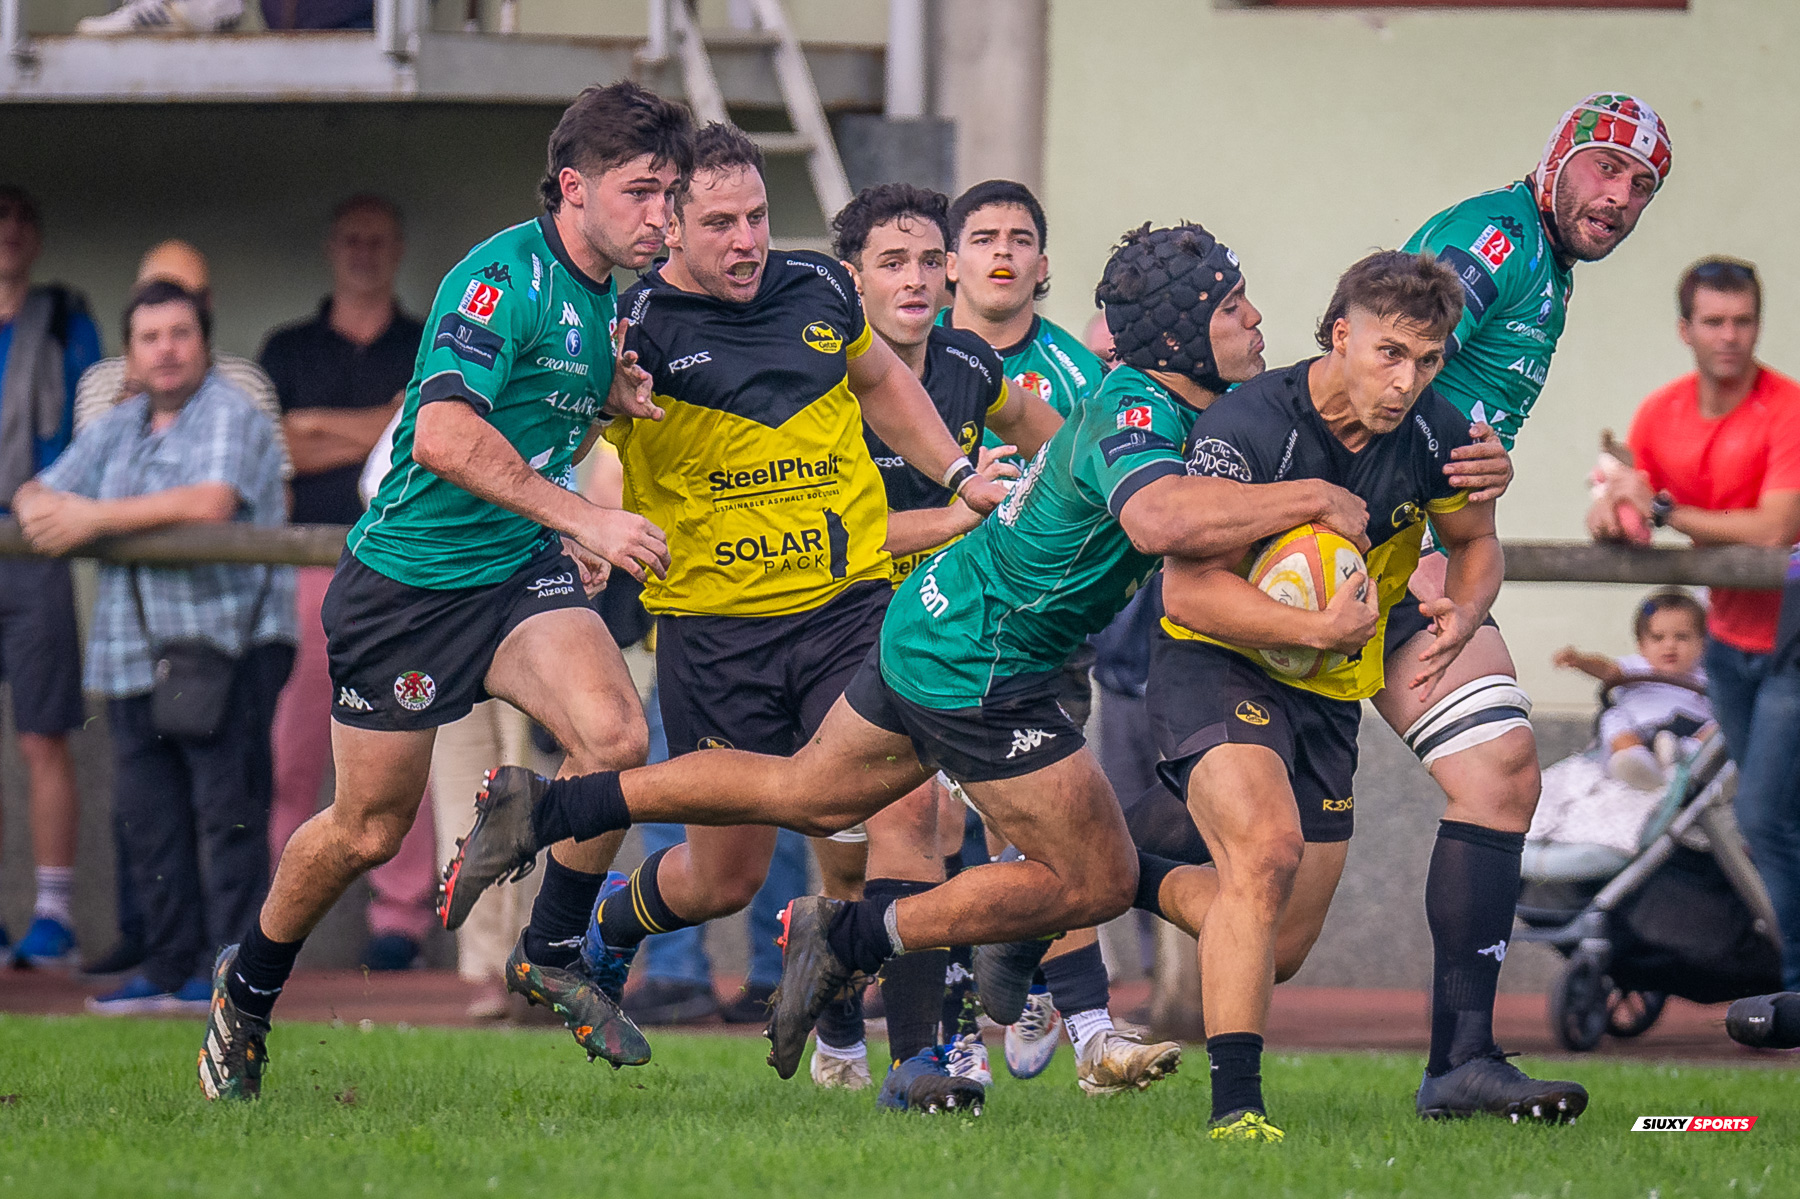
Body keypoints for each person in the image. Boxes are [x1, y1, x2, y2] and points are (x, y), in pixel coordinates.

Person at [444, 221, 1377, 1112]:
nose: (1255, 318)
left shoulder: (1163, 404)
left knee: (810, 794)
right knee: (1095, 877)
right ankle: (855, 938)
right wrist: (1314, 498)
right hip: (984, 657)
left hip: (937, 622)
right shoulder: (1138, 406)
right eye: (1233, 305)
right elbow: (1158, 519)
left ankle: (548, 808)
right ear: (1180, 333)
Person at [194, 81, 694, 1101]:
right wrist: (585, 517)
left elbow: (545, 401)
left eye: (671, 194)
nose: (664, 218)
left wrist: (607, 403)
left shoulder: (610, 292)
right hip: (409, 588)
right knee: (367, 829)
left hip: (514, 570)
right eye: (642, 193)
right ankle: (246, 989)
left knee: (615, 737)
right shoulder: (499, 276)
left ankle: (548, 949)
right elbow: (443, 434)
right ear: (573, 187)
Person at [499, 130, 1009, 1113]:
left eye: (759, 217)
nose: (746, 240)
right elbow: (559, 430)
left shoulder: (820, 289)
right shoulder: (631, 323)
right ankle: (613, 927)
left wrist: (955, 471)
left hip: (847, 607)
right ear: (672, 225)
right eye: (720, 222)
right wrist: (580, 522)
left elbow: (881, 381)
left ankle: (915, 1061)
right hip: (714, 632)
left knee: (905, 809)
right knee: (724, 877)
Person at [1140, 249, 1551, 1138]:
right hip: (1219, 657)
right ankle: (1237, 1111)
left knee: (1282, 944)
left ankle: (1113, 867)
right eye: (1390, 353)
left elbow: (1476, 541)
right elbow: (1187, 592)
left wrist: (1465, 607)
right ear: (1340, 335)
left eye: (1428, 360)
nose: (1407, 381)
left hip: (1337, 672)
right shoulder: (1250, 426)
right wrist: (1313, 628)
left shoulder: (1436, 430)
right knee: (1265, 851)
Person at [1363, 92, 1671, 1118]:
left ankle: (1462, 1063)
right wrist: (1404, 528)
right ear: (1555, 159)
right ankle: (1039, 931)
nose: (1619, 196)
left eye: (1641, 186)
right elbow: (1385, 359)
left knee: (1500, 775)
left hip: (1407, 547)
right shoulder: (1499, 235)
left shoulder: (1546, 261)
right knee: (1250, 863)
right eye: (1604, 167)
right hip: (1359, 548)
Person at [799, 181, 1065, 1100]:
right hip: (835, 619)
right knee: (844, 849)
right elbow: (835, 536)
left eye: (927, 261)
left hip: (946, 626)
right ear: (851, 280)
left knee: (928, 821)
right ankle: (838, 994)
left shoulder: (967, 362)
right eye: (891, 262)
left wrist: (1115, 475)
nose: (914, 279)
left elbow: (1057, 442)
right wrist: (961, 513)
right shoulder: (820, 379)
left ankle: (929, 1051)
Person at [15, 280, 295, 1013]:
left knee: (228, 819)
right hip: (129, 655)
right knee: (151, 820)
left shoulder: (231, 412)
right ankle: (168, 968)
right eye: (149, 337)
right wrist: (46, 507)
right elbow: (37, 493)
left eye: (179, 333)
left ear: (205, 341)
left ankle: (230, 974)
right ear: (129, 353)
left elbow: (210, 502)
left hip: (227, 646)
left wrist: (90, 519)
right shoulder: (117, 425)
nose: (165, 350)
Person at [935, 178, 1121, 1089]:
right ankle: (953, 1029)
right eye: (983, 237)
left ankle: (1057, 997)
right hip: (930, 620)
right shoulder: (910, 355)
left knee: (1045, 823)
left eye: (1019, 238)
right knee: (931, 823)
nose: (1002, 252)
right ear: (951, 262)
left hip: (1043, 632)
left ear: (1044, 263)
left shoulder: (1080, 376)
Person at [1589, 256, 1800, 989]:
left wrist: (1662, 510)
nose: (1730, 336)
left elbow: (1774, 531)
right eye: (1714, 321)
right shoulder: (1661, 413)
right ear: (1687, 329)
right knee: (1768, 817)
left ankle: (1793, 992)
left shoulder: (1787, 407)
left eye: (1743, 321)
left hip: (1793, 638)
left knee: (1766, 816)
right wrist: (1614, 507)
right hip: (1730, 643)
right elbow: (1627, 505)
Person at [261, 194, 435, 972]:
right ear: (333, 247)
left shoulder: (426, 339)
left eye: (378, 239)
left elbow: (423, 442)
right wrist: (381, 424)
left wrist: (318, 425)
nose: (364, 251)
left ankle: (400, 919)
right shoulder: (288, 346)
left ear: (397, 248)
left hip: (401, 567)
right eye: (352, 239)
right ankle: (283, 912)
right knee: (294, 750)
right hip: (305, 568)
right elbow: (279, 448)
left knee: (402, 740)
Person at [0, 185, 101, 970]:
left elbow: (91, 429)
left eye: (21, 220)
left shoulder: (65, 315)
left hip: (34, 540)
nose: (8, 232)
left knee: (43, 733)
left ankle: (53, 914)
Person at [74, 241, 288, 472]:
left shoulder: (245, 383)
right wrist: (133, 386)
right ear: (137, 299)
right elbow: (88, 478)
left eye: (186, 299)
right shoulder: (101, 381)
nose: (171, 308)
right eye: (156, 294)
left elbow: (275, 485)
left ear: (207, 303)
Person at [1552, 589, 1712, 792]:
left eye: (1682, 637)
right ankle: (1635, 759)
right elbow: (1607, 670)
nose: (1670, 645)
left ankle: (1682, 758)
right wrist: (1581, 661)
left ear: (1702, 643)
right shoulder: (1635, 665)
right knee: (1612, 716)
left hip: (1688, 732)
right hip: (1639, 730)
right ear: (1641, 645)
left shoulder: (1706, 674)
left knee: (1719, 727)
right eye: (1658, 638)